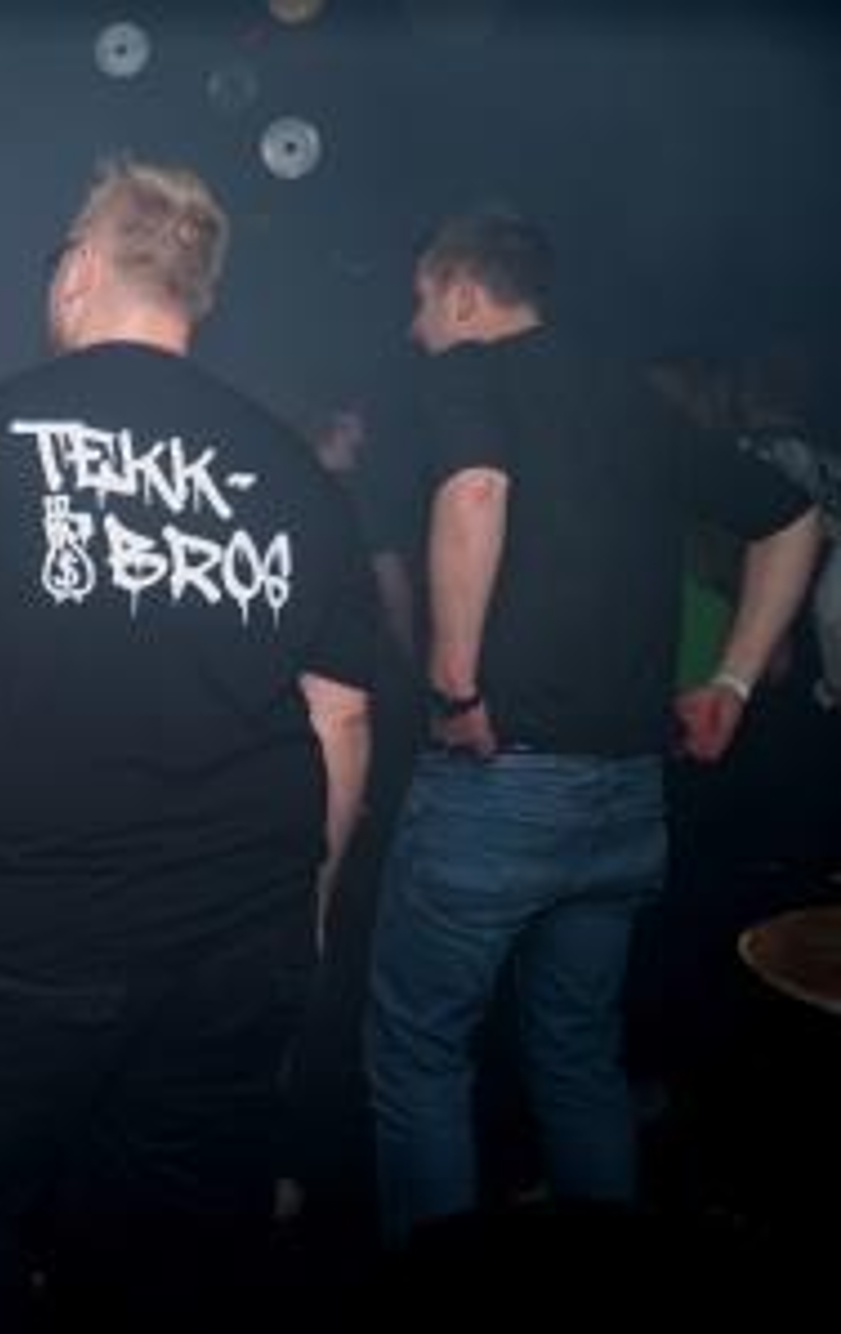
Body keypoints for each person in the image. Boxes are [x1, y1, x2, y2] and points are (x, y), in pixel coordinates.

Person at [0, 159, 376, 1330]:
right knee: (168, 1250)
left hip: (25, 928)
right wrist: (304, 910)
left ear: (74, 271)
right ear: (196, 294)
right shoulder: (294, 474)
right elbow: (341, 715)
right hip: (234, 935)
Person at [366, 208, 820, 1246]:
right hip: (625, 794)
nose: (412, 326)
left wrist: (453, 686)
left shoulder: (465, 372)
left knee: (419, 1053)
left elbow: (474, 490)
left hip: (502, 782)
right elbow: (793, 517)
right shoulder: (630, 399)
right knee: (576, 1053)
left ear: (462, 293)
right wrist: (731, 682)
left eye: (420, 300)